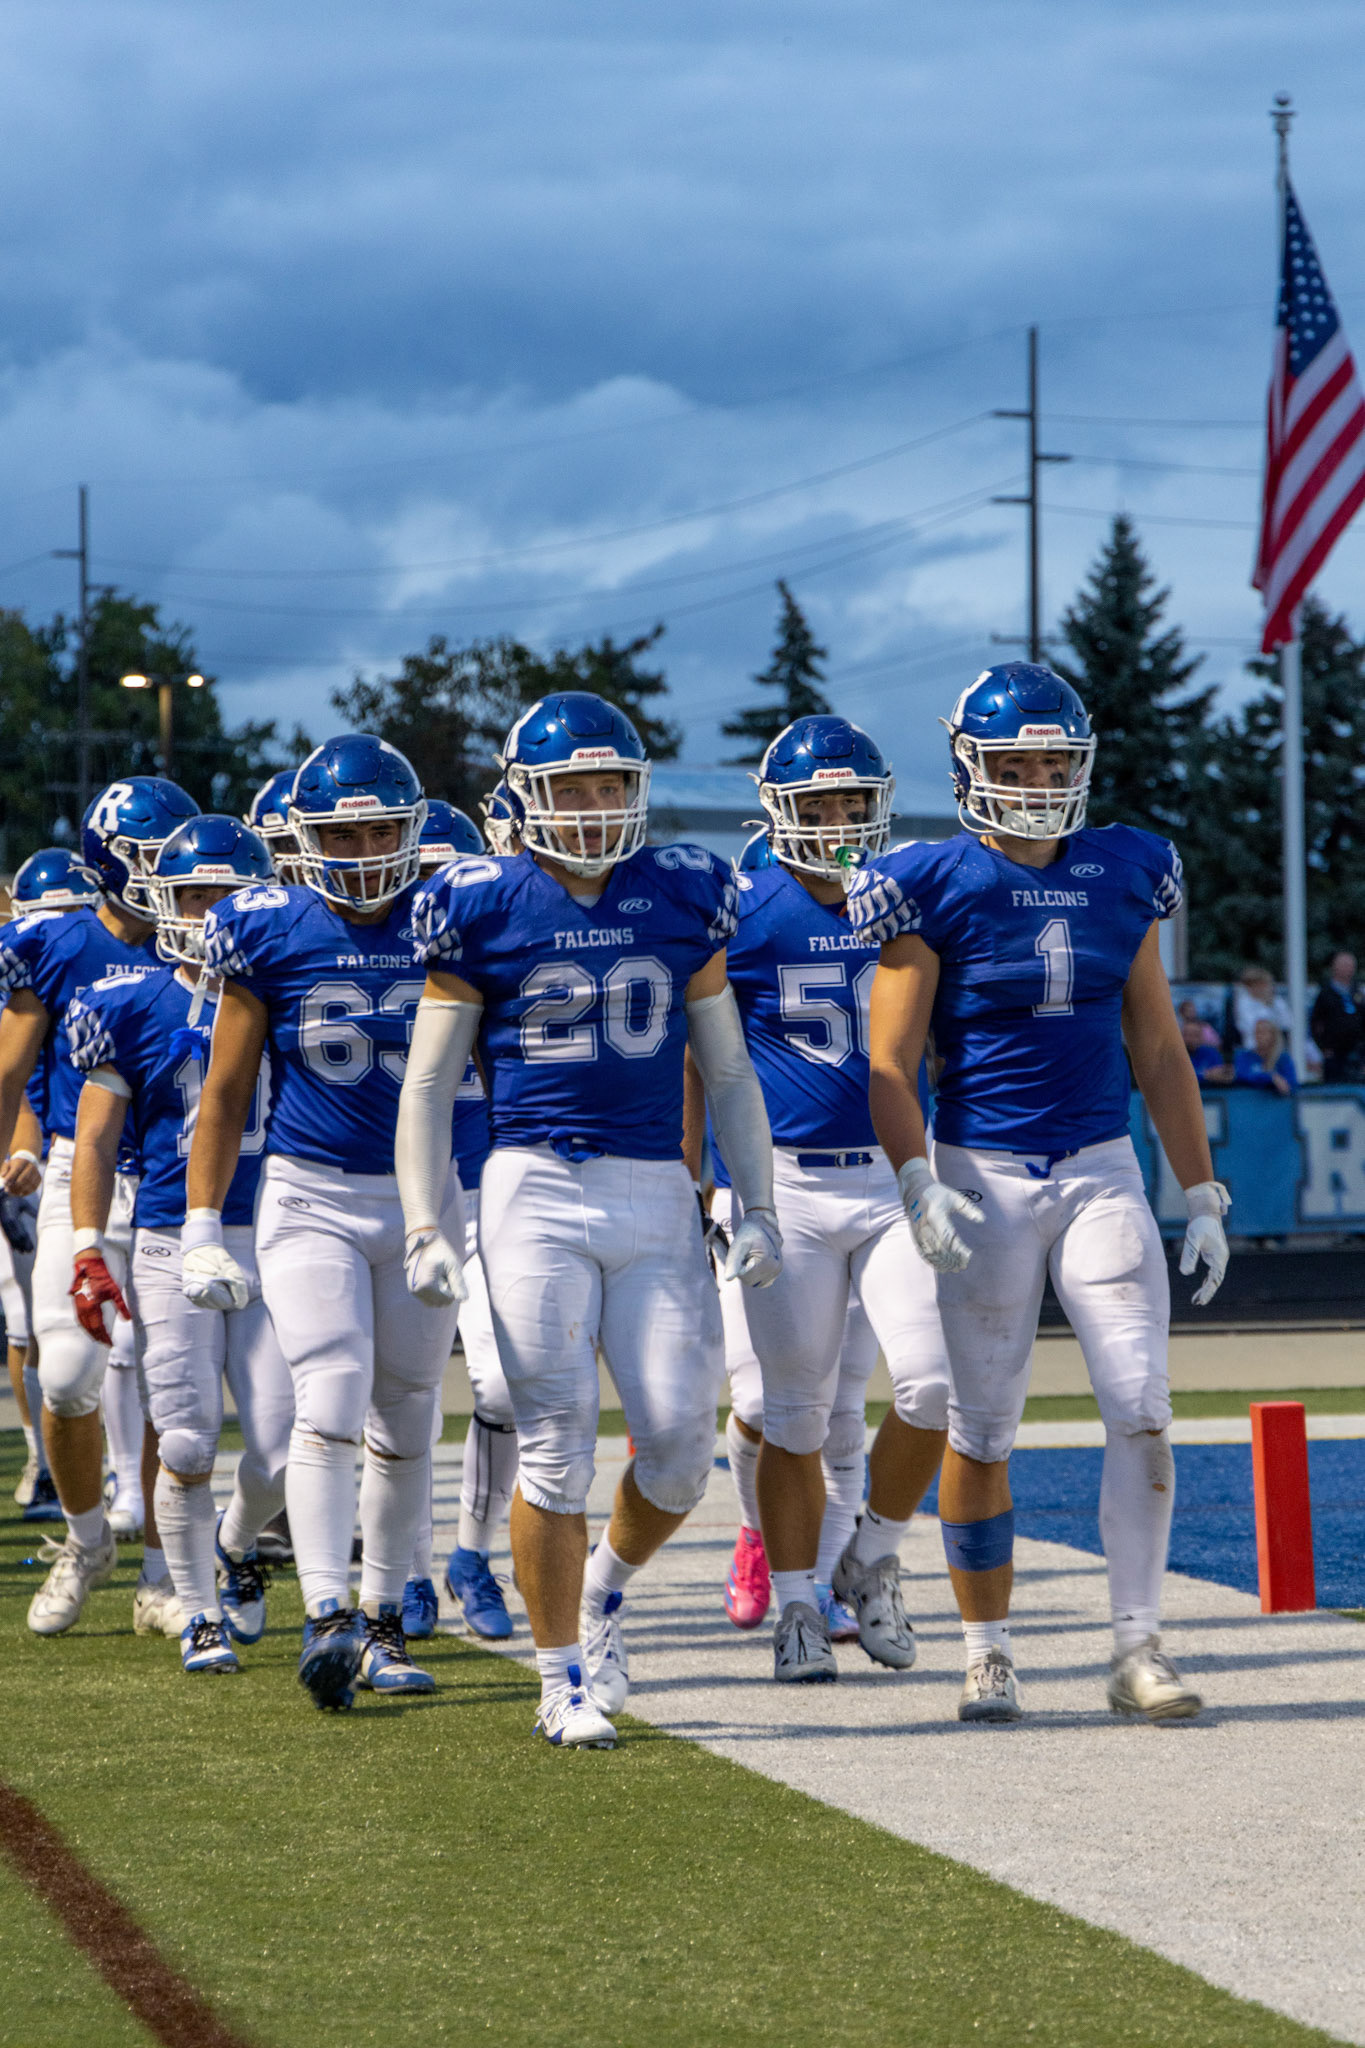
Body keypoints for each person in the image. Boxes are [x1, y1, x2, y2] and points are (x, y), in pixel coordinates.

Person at [396, 690, 781, 1750]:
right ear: (528, 795)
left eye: (612, 782)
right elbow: (427, 1088)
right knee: (556, 1441)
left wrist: (760, 1202)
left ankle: (606, 1588)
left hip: (653, 1183)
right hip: (533, 1183)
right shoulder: (479, 899)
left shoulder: (684, 890)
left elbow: (731, 1067)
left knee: (675, 1448)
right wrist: (429, 1224)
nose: (597, 803)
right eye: (574, 785)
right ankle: (557, 1673)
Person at [846, 661, 1229, 1725]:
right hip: (984, 1173)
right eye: (1016, 761)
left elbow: (1155, 1043)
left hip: (1101, 1164)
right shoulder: (931, 879)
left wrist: (1199, 1187)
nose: (1039, 777)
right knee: (982, 1424)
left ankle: (1136, 1645)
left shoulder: (1126, 866)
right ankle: (988, 1647)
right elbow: (891, 1059)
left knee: (1141, 1403)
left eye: (1055, 758)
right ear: (973, 766)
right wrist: (916, 1174)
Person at [186, 734, 464, 1711]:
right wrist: (201, 1222)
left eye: (384, 826)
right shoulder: (267, 925)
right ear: (306, 838)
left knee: (410, 1410)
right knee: (333, 1389)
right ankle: (329, 1613)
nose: (367, 847)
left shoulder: (452, 915)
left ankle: (384, 1619)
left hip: (426, 1196)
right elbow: (224, 1093)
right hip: (311, 1195)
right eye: (345, 831)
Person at [710, 715, 950, 1682]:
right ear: (778, 808)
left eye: (856, 801)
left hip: (895, 1179)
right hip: (788, 1188)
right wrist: (705, 1182)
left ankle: (872, 1556)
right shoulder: (741, 905)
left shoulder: (909, 895)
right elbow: (704, 1055)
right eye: (821, 803)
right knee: (795, 1414)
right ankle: (798, 1606)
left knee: (935, 1386)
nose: (842, 819)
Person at [65, 816, 294, 1675]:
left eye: (226, 896)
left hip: (276, 1226)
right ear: (164, 898)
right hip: (169, 1233)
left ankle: (234, 1547)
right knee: (190, 1439)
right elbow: (93, 1138)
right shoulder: (127, 1001)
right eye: (195, 895)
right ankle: (197, 1610)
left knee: (281, 1439)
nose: (209, 913)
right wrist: (88, 1244)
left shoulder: (293, 988)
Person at [0, 779, 199, 1637]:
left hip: (169, 1179)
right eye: (150, 861)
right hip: (77, 1175)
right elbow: (11, 1068)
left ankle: (164, 1569)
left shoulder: (205, 934)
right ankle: (87, 1542)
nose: (168, 880)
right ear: (108, 861)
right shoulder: (53, 941)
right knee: (71, 1375)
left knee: (169, 1387)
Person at [401, 799, 520, 1644]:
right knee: (397, 1399)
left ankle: (472, 1554)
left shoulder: (498, 941)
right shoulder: (371, 953)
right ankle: (402, 1567)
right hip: (394, 1194)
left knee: (505, 1385)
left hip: (487, 1190)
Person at [2, 847, 100, 1522]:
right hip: (35, 1153)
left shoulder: (106, 969)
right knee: (25, 1321)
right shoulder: (24, 980)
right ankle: (43, 1457)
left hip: (76, 1151)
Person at [1309, 952, 1362, 1083]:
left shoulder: (1358, 992)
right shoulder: (1325, 993)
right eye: (1344, 965)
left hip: (1357, 1052)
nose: (1348, 969)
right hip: (1334, 1054)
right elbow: (1315, 1023)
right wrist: (1323, 1047)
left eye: (1350, 965)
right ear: (1334, 967)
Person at [1232, 964, 1291, 1051]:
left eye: (1265, 984)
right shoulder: (1243, 1002)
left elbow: (1287, 1023)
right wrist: (1265, 1006)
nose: (1262, 988)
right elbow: (1249, 1025)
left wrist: (1271, 1004)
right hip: (1252, 1047)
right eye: (1257, 985)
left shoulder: (1277, 1001)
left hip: (1277, 1047)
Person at [1234, 1017, 1297, 1095]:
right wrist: (1271, 1078)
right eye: (1257, 1032)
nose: (1259, 1036)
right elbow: (1241, 1076)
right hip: (1248, 1102)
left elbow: (1290, 1084)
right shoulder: (1244, 1056)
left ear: (1273, 1036)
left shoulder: (1283, 1059)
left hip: (1276, 1104)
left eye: (1263, 1033)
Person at [1180, 1009, 1233, 1085]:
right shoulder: (1175, 1056)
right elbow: (1178, 1077)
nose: (1190, 1039)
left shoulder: (1212, 1053)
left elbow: (1221, 1075)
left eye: (1195, 1035)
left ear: (1201, 1037)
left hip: (1213, 1095)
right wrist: (1206, 1075)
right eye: (1187, 1035)